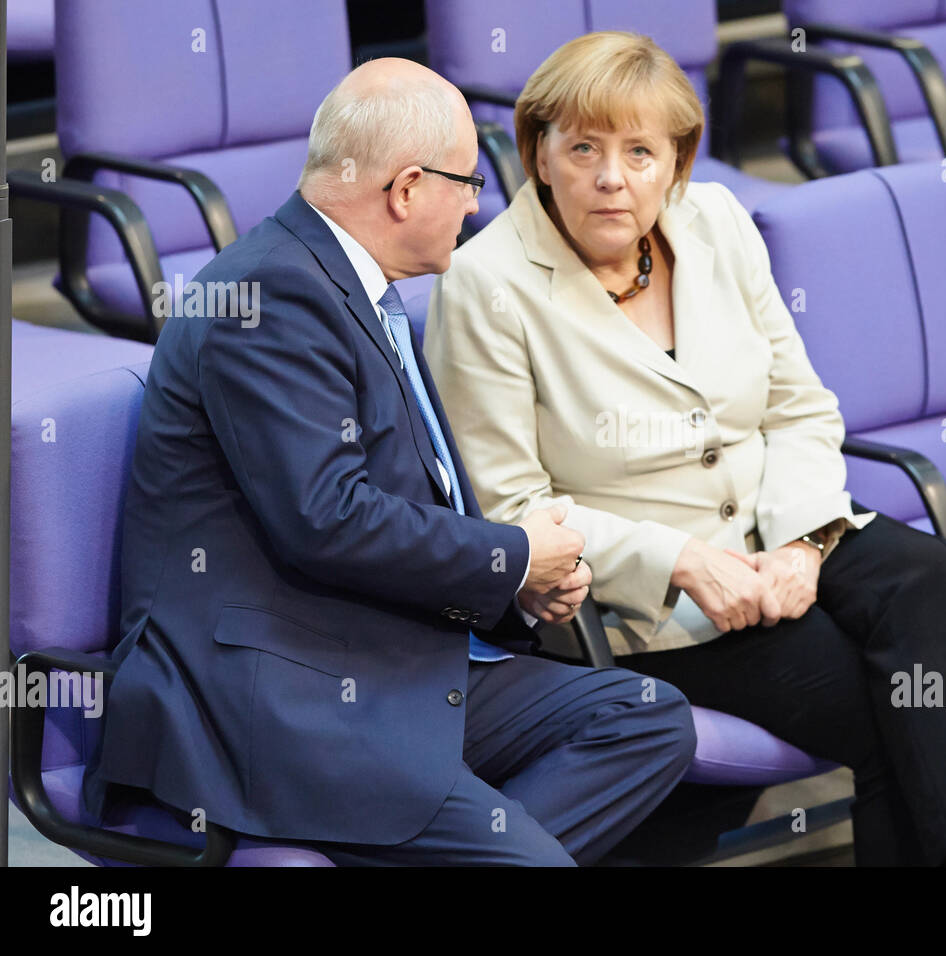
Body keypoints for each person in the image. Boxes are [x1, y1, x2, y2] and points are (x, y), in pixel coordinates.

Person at [81, 58, 696, 866]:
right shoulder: (271, 295)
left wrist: (521, 581)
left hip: (397, 658)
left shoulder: (357, 286)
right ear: (407, 189)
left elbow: (409, 493)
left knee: (647, 718)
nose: (476, 206)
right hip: (288, 693)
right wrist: (513, 557)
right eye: (468, 184)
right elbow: (326, 520)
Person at [427, 32, 946, 866]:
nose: (611, 177)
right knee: (902, 712)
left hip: (778, 533)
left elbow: (801, 408)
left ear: (677, 161)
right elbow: (509, 511)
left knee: (936, 575)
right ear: (539, 154)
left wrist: (805, 541)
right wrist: (680, 560)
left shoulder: (716, 223)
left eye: (640, 151)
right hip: (651, 601)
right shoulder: (486, 284)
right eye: (584, 148)